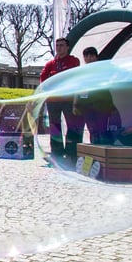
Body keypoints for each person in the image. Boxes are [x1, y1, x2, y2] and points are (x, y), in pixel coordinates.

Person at [39, 37, 83, 168]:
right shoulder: (50, 64)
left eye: (62, 45)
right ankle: (57, 153)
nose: (59, 48)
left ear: (67, 47)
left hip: (68, 98)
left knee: (72, 127)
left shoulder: (73, 61)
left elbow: (72, 76)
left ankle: (71, 154)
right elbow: (43, 80)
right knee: (55, 127)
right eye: (57, 45)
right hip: (53, 100)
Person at [73, 47, 116, 145]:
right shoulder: (81, 72)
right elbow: (77, 88)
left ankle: (103, 152)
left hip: (102, 105)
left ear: (96, 57)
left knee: (102, 129)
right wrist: (76, 105)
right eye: (86, 56)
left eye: (91, 56)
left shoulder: (103, 69)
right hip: (87, 106)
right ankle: (95, 152)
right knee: (92, 130)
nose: (89, 58)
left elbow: (108, 88)